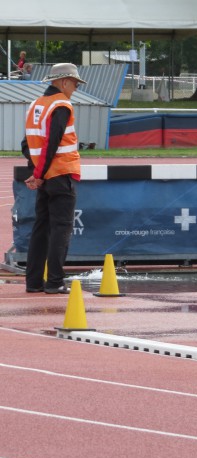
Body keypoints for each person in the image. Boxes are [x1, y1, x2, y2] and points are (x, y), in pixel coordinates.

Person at [21, 63, 87, 294]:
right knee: (61, 228)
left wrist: (35, 172)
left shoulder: (36, 105)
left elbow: (27, 144)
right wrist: (38, 175)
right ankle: (55, 281)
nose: (76, 88)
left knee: (41, 228)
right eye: (76, 83)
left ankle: (34, 282)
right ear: (64, 81)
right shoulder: (61, 104)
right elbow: (52, 142)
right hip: (60, 174)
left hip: (45, 177)